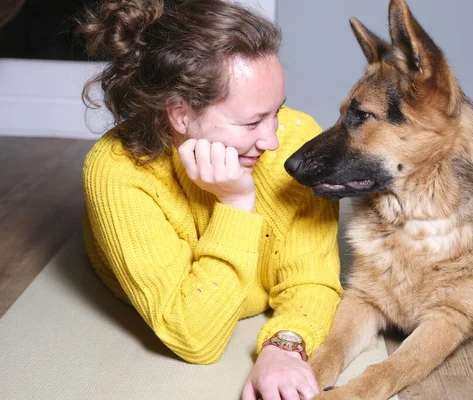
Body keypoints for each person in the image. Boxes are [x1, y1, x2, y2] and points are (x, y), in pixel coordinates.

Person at [78, 0, 343, 399]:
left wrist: (284, 347)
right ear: (180, 114)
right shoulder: (116, 172)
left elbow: (313, 278)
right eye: (252, 121)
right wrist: (236, 203)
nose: (272, 140)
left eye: (278, 111)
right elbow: (194, 335)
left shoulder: (297, 142)